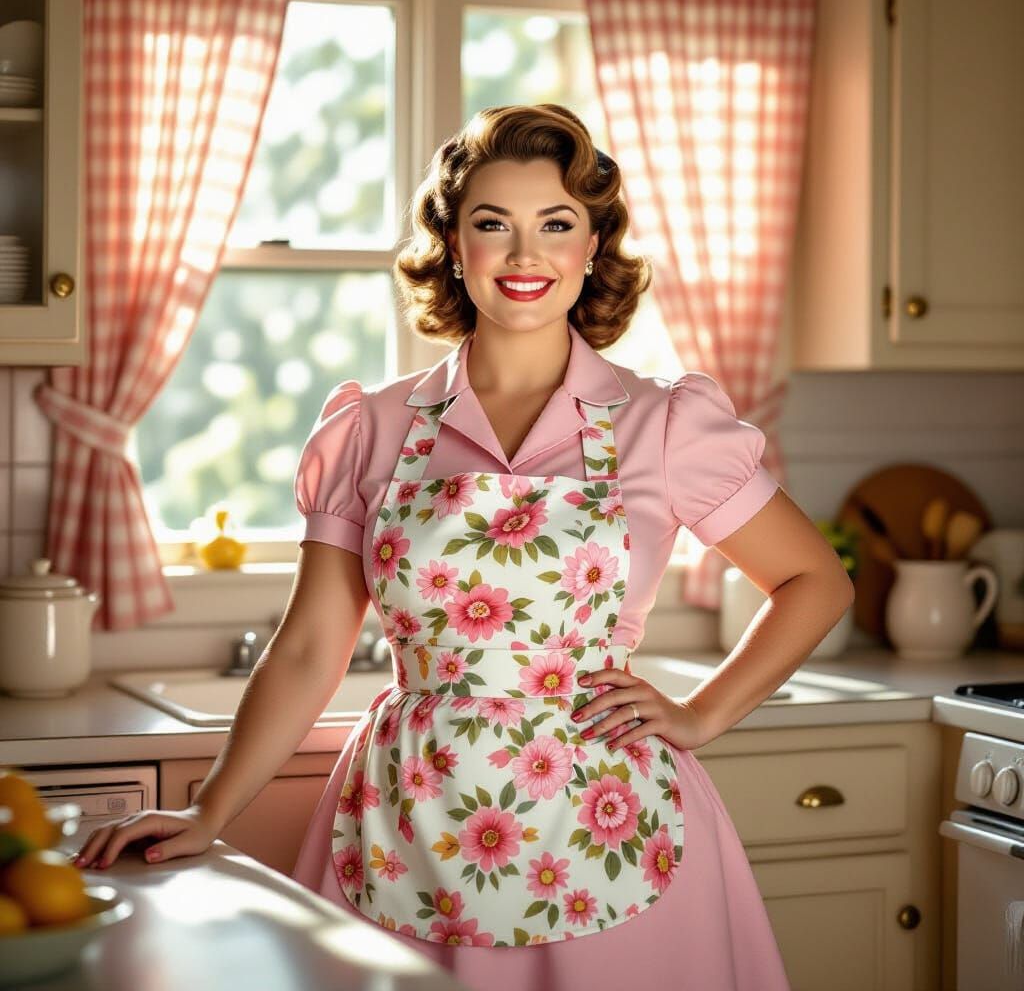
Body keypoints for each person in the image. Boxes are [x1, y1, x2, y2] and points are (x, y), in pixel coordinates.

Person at [70, 104, 853, 991]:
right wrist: (210, 809)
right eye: (494, 225)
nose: (526, 256)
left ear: (594, 246)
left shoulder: (665, 425)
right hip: (410, 821)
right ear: (453, 244)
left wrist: (703, 714)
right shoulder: (370, 427)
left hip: (610, 828)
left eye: (556, 225)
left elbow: (812, 578)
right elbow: (308, 647)